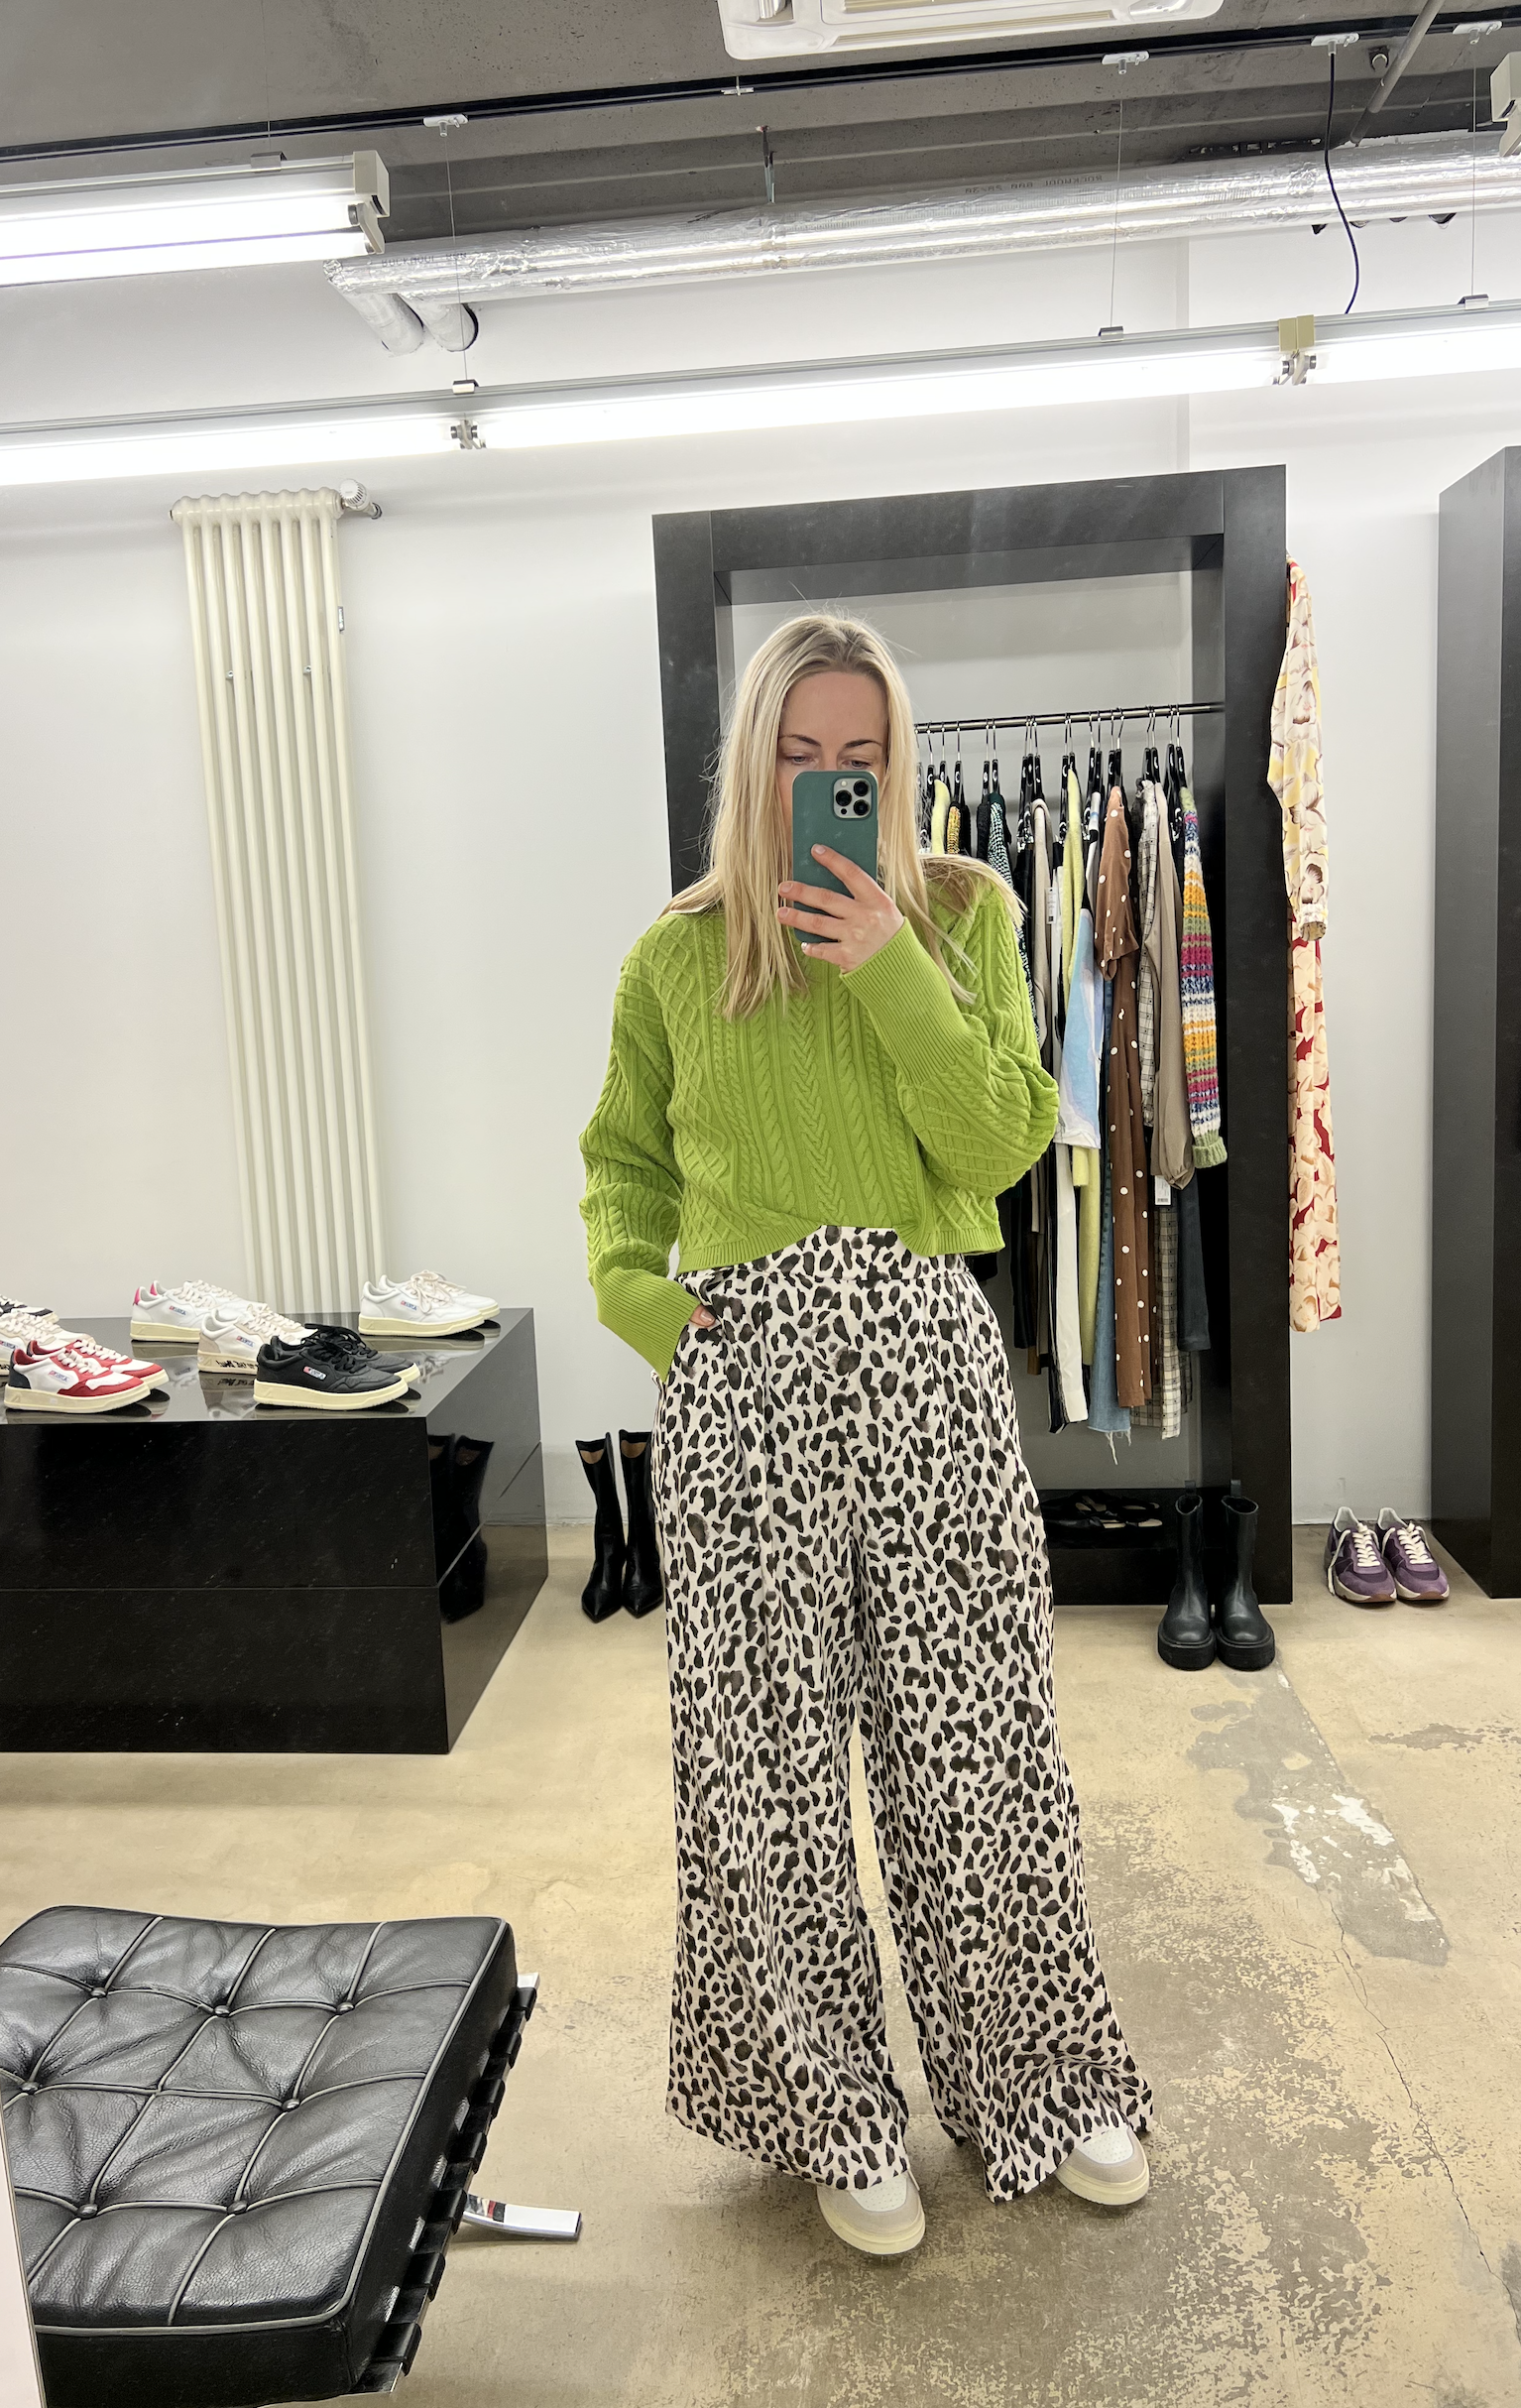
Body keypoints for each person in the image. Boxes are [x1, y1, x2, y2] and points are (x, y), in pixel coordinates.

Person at [579, 614, 1150, 2256]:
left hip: (923, 1355)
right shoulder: (678, 956)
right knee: (766, 1771)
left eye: (862, 757)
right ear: (750, 763)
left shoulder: (968, 912)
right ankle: (833, 2109)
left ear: (897, 766)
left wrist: (892, 962)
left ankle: (1041, 2074)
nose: (830, 781)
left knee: (982, 1742)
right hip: (745, 1374)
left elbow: (1004, 1140)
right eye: (798, 755)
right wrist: (641, 1302)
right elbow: (623, 1159)